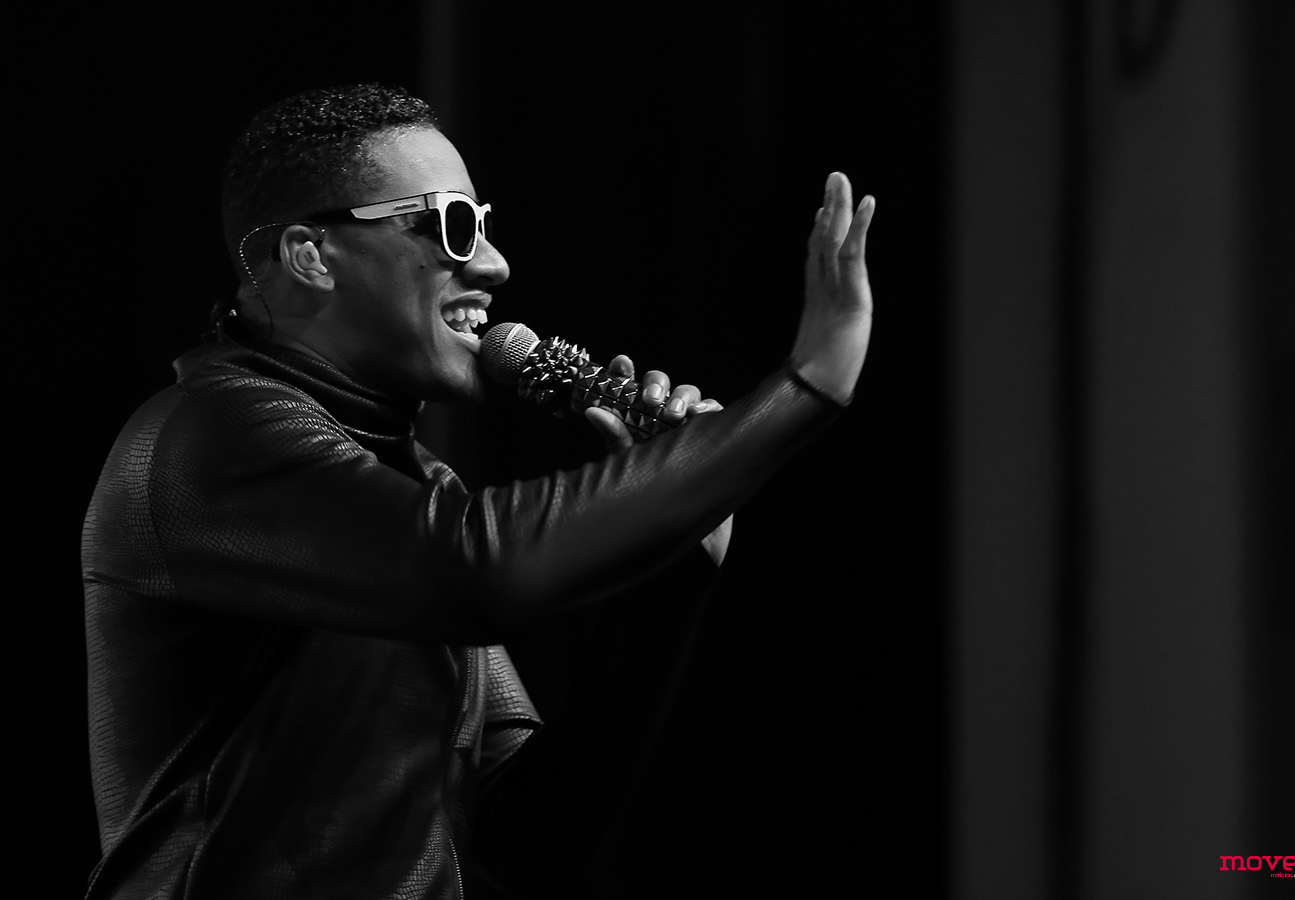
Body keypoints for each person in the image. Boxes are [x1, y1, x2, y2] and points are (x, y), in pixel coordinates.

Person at [81, 83, 874, 899]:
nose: (493, 264)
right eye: (452, 225)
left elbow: (516, 843)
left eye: (483, 224)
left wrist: (674, 563)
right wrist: (803, 387)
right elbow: (474, 569)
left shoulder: (416, 488)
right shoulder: (205, 437)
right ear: (312, 255)